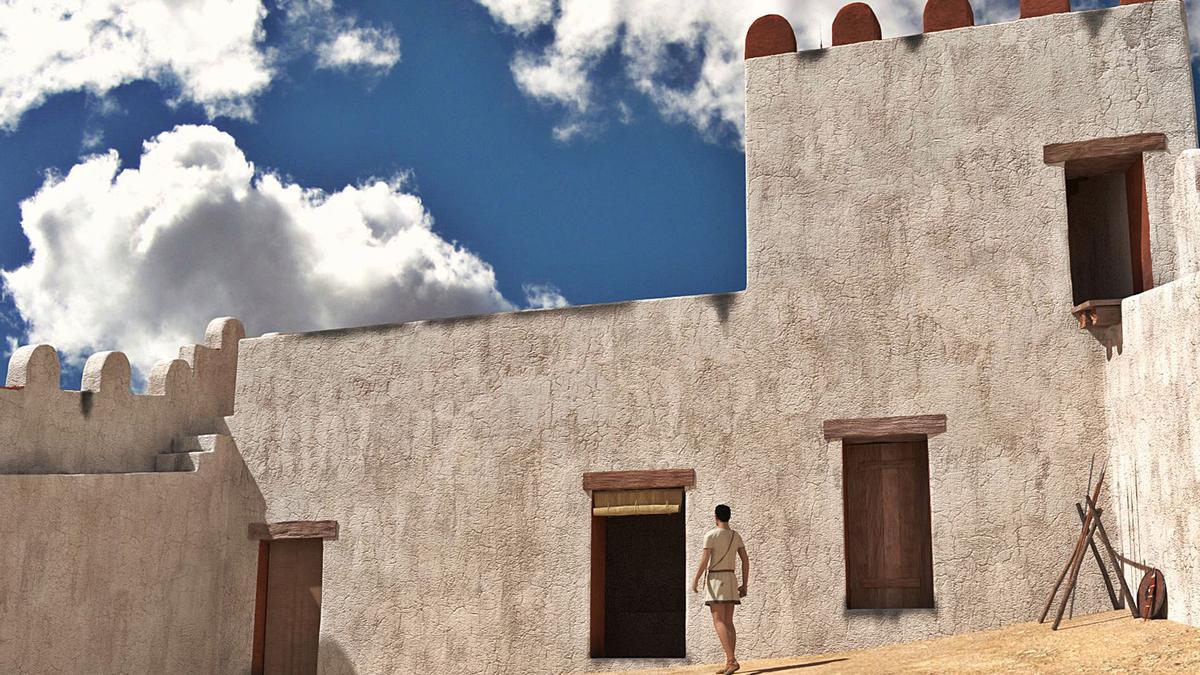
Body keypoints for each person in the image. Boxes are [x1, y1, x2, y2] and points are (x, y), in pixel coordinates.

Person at [691, 504, 749, 674]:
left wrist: (696, 579)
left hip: (716, 580)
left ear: (715, 517)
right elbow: (745, 560)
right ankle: (729, 660)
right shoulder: (736, 536)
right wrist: (745, 584)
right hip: (731, 578)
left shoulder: (710, 535)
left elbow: (704, 561)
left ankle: (731, 660)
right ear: (729, 517)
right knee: (729, 621)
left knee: (718, 621)